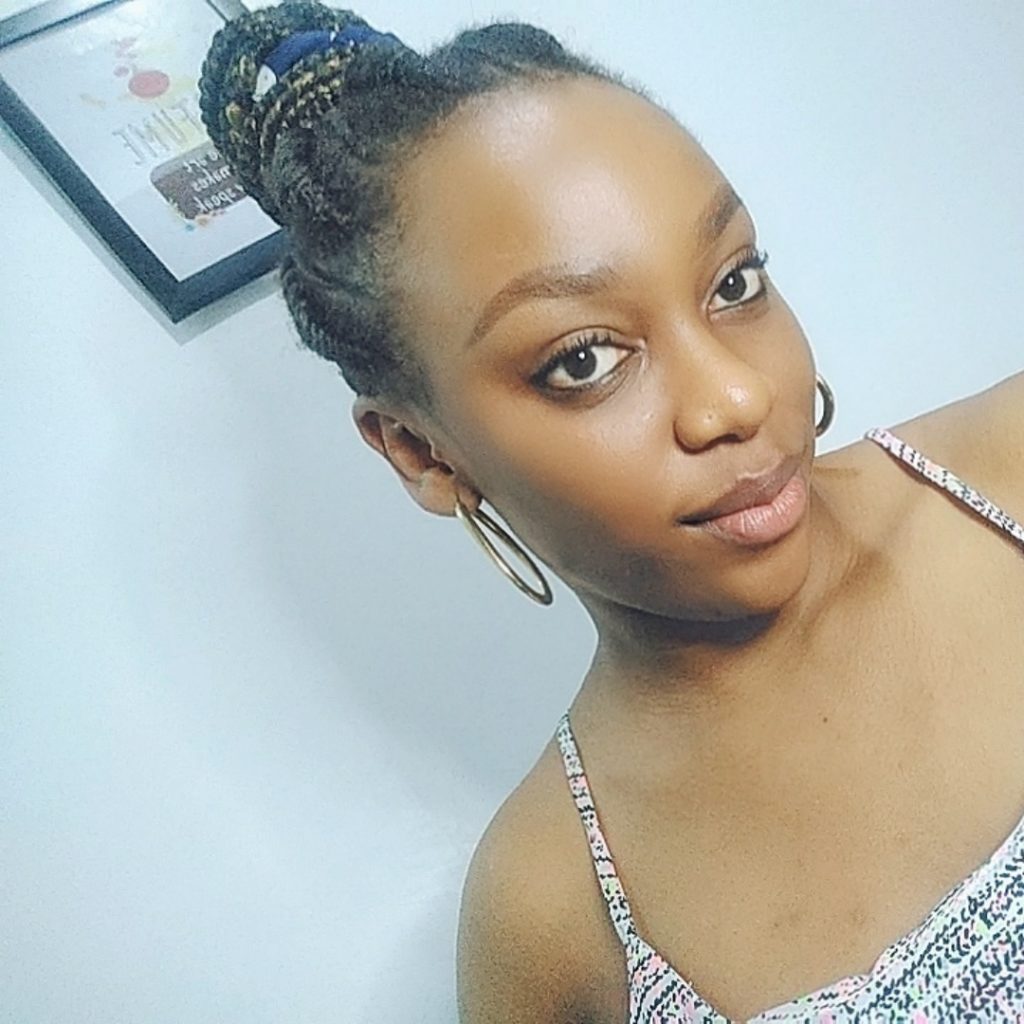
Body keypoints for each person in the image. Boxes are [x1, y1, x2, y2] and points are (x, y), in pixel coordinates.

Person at [199, 4, 1024, 1021]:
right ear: (421, 451)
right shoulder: (549, 920)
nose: (734, 398)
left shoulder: (1010, 472)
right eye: (583, 360)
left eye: (734, 283)